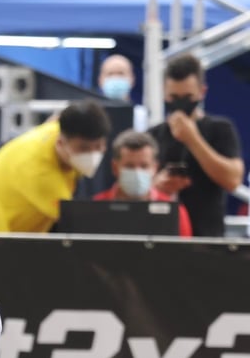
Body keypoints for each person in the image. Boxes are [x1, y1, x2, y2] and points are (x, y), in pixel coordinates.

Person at [0, 100, 111, 232]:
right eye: (83, 148)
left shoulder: (57, 129)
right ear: (61, 143)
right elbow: (76, 223)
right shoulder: (39, 172)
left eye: (99, 146)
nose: (93, 154)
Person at [147, 53, 243, 237]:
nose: (180, 103)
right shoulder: (153, 135)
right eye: (174, 96)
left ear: (202, 92)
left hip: (207, 238)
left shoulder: (220, 129)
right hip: (161, 238)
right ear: (164, 92)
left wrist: (193, 139)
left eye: (188, 96)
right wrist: (156, 185)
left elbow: (232, 180)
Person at [93, 129, 193, 237]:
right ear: (115, 167)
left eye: (144, 166)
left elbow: (185, 252)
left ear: (155, 168)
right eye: (129, 166)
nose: (137, 172)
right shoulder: (96, 207)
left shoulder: (175, 213)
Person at [98, 53, 147, 131]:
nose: (115, 78)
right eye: (110, 74)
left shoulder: (142, 116)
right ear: (100, 80)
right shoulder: (91, 117)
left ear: (132, 79)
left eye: (121, 73)